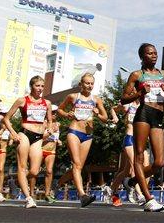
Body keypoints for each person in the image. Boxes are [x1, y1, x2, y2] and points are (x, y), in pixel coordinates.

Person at [121, 43, 164, 212]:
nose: (154, 56)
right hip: (143, 114)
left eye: (155, 53)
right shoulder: (137, 75)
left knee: (159, 162)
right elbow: (123, 99)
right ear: (142, 57)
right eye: (149, 53)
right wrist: (139, 93)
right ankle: (148, 198)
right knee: (139, 156)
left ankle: (132, 181)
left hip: (158, 116)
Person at [58, 73, 108, 207]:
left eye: (91, 83)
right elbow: (60, 110)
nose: (89, 86)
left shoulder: (96, 99)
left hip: (88, 135)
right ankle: (82, 195)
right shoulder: (73, 97)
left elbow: (105, 118)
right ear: (81, 84)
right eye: (87, 83)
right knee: (76, 163)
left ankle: (58, 183)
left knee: (79, 166)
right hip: (74, 131)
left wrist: (98, 114)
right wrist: (67, 114)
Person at [3, 75, 53, 209]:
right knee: (22, 167)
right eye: (37, 86)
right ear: (31, 86)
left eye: (42, 86)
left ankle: (15, 180)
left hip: (38, 137)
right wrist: (13, 133)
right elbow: (6, 119)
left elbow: (49, 120)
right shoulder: (22, 100)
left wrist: (49, 129)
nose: (40, 88)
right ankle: (29, 198)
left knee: (35, 171)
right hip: (24, 134)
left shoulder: (47, 103)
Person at [109, 99, 148, 207]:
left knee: (128, 170)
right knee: (135, 166)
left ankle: (111, 190)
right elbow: (113, 108)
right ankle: (140, 195)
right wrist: (115, 116)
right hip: (129, 138)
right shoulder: (127, 104)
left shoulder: (145, 105)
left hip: (141, 140)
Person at [32, 104, 61, 203]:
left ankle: (47, 194)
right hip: (40, 149)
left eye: (55, 112)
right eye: (52, 112)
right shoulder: (43, 123)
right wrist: (51, 131)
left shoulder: (57, 124)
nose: (54, 114)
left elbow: (55, 137)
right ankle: (31, 193)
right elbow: (41, 137)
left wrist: (58, 140)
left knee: (49, 171)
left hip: (51, 151)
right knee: (35, 171)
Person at [0, 104, 13, 202]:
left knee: (1, 170)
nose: (4, 116)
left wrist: (11, 140)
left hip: (2, 150)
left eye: (6, 114)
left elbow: (11, 137)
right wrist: (2, 130)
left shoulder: (9, 125)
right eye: (2, 114)